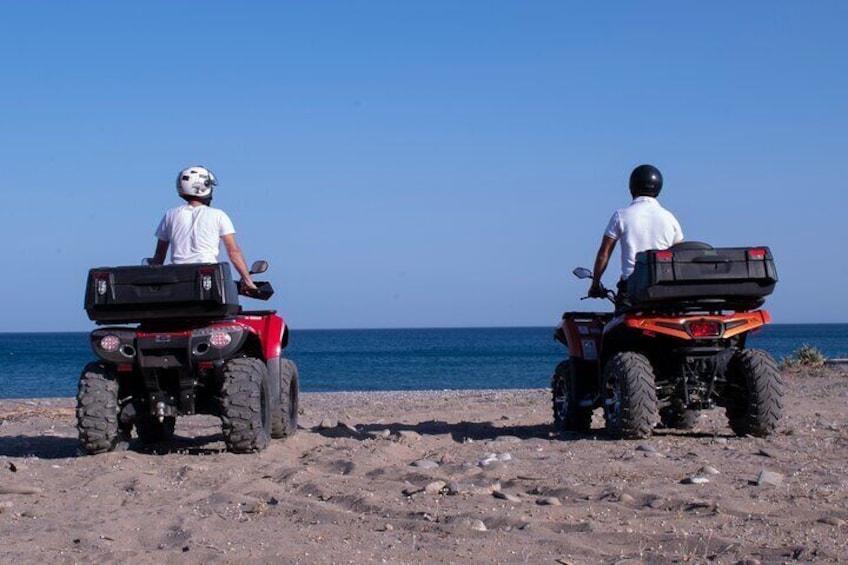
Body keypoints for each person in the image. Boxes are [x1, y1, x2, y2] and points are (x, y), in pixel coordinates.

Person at [589, 164, 683, 309]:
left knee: (619, 329)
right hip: (662, 290)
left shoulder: (621, 216)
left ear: (631, 188)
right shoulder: (670, 218)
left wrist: (595, 284)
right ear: (658, 189)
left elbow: (604, 253)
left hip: (631, 289)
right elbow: (679, 255)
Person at [151, 165, 257, 291]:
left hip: (177, 279)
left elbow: (159, 257)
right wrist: (247, 281)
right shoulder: (218, 215)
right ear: (204, 188)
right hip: (207, 278)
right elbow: (234, 252)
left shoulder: (170, 215)